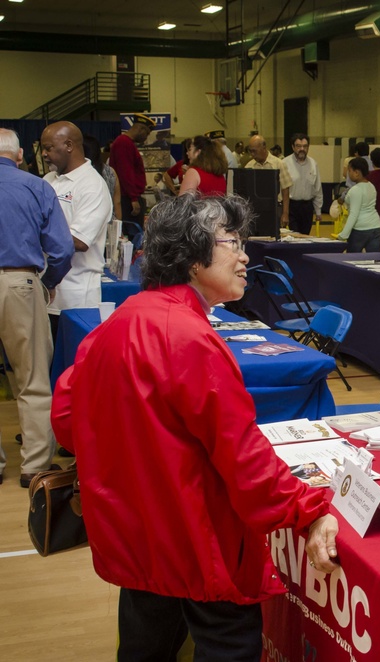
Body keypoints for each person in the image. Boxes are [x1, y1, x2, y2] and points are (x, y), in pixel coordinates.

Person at [51, 195, 340, 660]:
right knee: (226, 645)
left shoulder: (115, 324)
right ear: (189, 255)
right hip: (196, 542)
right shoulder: (189, 338)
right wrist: (310, 509)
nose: (245, 255)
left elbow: (67, 422)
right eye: (232, 242)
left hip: (134, 537)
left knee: (146, 646)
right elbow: (242, 458)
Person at [0, 128, 74, 487]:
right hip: (19, 282)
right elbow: (61, 249)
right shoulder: (35, 186)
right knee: (32, 379)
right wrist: (46, 283)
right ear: (18, 157)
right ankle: (33, 466)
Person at [40, 121, 113, 337]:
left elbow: (79, 241)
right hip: (46, 291)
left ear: (69, 145)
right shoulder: (49, 180)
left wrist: (31, 234)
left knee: (70, 366)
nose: (43, 154)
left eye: (48, 148)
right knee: (48, 366)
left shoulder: (92, 185)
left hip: (76, 298)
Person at [109, 113, 154, 236]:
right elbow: (125, 172)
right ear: (140, 129)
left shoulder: (125, 142)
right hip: (127, 198)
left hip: (127, 196)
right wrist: (133, 198)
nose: (146, 138)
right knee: (133, 235)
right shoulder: (124, 143)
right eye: (147, 134)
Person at [244, 135, 291, 228]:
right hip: (255, 210)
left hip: (275, 208)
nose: (252, 155)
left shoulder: (279, 164)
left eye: (254, 151)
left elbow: (285, 190)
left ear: (263, 147)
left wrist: (285, 213)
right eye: (250, 151)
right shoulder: (249, 166)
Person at [336, 157, 380, 252]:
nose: (348, 174)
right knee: (374, 261)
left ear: (357, 173)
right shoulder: (371, 186)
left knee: (352, 260)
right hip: (376, 227)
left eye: (350, 171)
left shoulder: (355, 190)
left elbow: (354, 214)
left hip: (360, 229)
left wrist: (343, 235)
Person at [283, 133, 323, 235]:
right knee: (294, 236)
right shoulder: (284, 163)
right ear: (293, 147)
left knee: (305, 236)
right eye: (298, 146)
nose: (302, 149)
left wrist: (318, 211)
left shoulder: (313, 164)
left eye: (305, 146)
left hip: (307, 208)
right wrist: (284, 212)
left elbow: (317, 189)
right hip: (291, 206)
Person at [82, 133, 122, 221]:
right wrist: (118, 227)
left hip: (86, 223)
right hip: (109, 222)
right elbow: (117, 202)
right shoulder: (110, 171)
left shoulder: (79, 173)